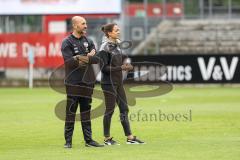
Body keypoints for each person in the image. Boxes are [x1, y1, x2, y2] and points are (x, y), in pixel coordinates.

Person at [98, 23, 145, 145]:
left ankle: (130, 137)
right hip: (108, 83)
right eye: (116, 30)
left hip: (118, 83)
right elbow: (104, 68)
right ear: (109, 33)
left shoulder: (116, 45)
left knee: (124, 109)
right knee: (110, 110)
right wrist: (121, 67)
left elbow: (118, 62)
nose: (119, 32)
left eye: (118, 30)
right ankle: (107, 139)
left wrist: (126, 65)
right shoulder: (104, 47)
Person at [61, 16, 103, 148]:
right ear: (75, 26)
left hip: (87, 82)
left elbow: (96, 60)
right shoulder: (66, 42)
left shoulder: (89, 41)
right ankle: (68, 142)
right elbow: (70, 63)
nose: (86, 26)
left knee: (86, 112)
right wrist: (87, 57)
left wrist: (81, 58)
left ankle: (89, 140)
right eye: (83, 23)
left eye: (86, 23)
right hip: (73, 83)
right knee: (71, 112)